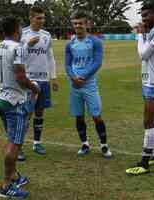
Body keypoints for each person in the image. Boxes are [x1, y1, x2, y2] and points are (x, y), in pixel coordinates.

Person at [0, 16, 40, 198]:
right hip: (14, 102)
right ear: (16, 30)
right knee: (15, 144)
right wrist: (34, 87)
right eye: (20, 28)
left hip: (1, 100)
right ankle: (5, 185)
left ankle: (14, 176)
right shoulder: (18, 47)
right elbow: (21, 77)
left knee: (12, 139)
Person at [126, 2, 154, 175]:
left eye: (147, 15)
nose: (144, 19)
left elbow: (143, 55)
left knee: (148, 120)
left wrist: (139, 35)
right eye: (142, 16)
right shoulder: (151, 32)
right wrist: (143, 35)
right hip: (149, 82)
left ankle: (144, 162)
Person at [64, 12, 112, 159]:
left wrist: (82, 77)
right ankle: (84, 144)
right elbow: (67, 64)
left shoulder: (95, 42)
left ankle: (104, 146)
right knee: (79, 116)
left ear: (87, 24)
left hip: (89, 85)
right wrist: (73, 78)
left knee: (96, 116)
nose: (78, 26)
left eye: (81, 23)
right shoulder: (70, 44)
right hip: (75, 85)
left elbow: (97, 63)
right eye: (75, 23)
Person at [18, 6, 58, 159]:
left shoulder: (46, 35)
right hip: (28, 80)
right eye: (38, 18)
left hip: (43, 80)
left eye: (43, 18)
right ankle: (19, 146)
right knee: (26, 113)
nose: (42, 21)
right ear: (31, 18)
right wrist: (28, 45)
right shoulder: (23, 34)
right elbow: (17, 55)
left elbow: (50, 57)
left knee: (40, 112)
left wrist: (53, 77)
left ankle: (37, 142)